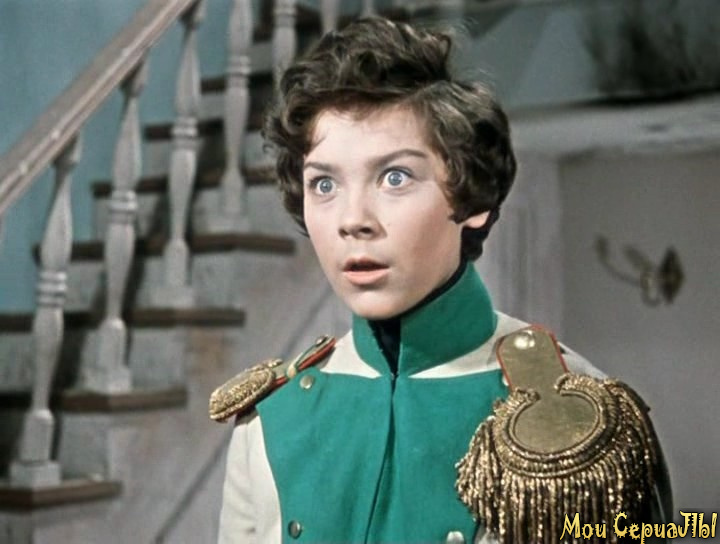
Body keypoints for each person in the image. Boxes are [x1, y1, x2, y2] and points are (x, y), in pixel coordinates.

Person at [211, 16, 670, 544]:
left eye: (396, 177)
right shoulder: (272, 418)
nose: (352, 220)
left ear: (472, 198)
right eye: (324, 184)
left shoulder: (585, 423)